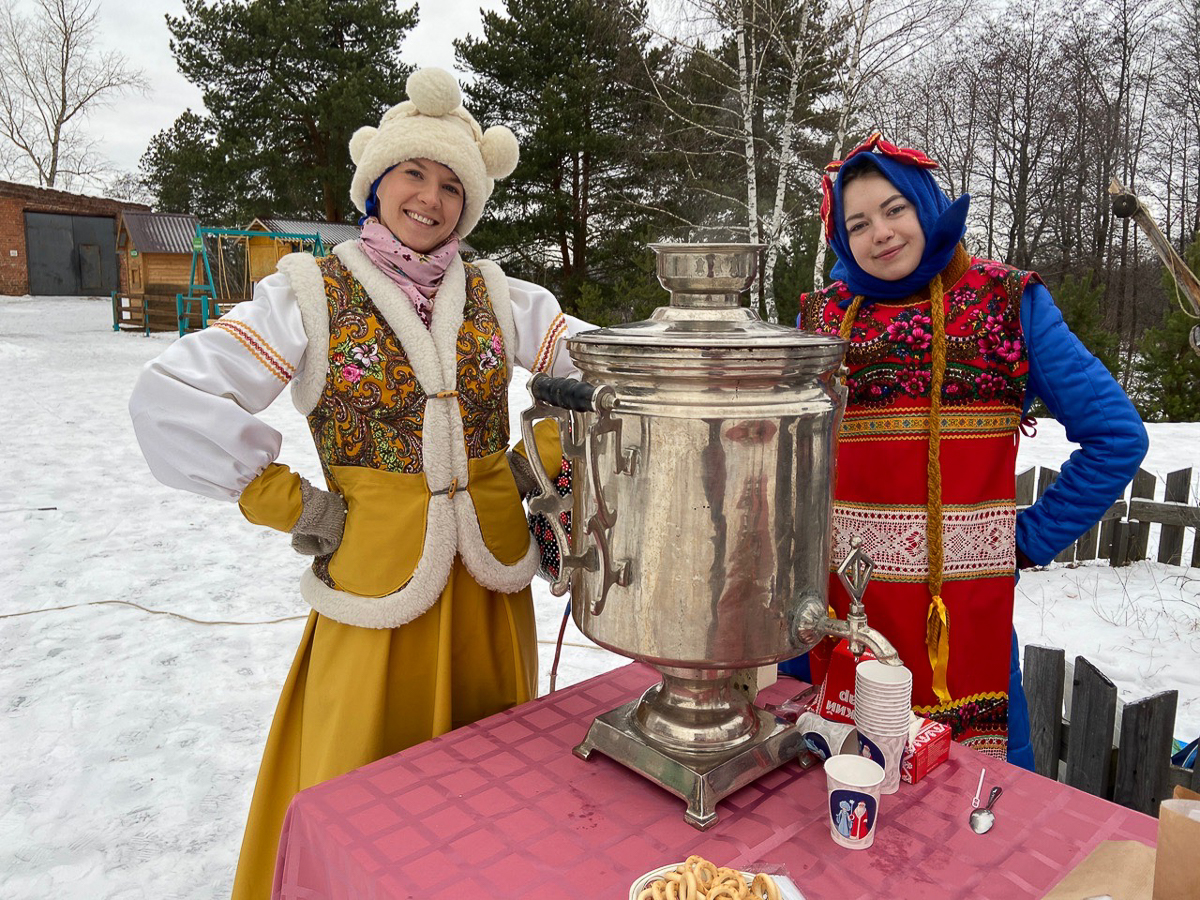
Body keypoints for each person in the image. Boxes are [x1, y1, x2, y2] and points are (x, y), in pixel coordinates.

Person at [128, 68, 586, 899]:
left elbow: (616, 375)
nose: (431, 197)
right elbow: (172, 393)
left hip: (488, 590)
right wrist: (283, 498)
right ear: (376, 182)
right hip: (376, 586)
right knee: (362, 786)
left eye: (453, 184)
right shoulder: (309, 293)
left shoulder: (496, 292)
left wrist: (541, 454)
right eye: (414, 173)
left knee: (495, 784)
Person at [788, 132, 1148, 768]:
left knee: (966, 821)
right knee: (829, 803)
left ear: (927, 203)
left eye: (895, 208)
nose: (881, 233)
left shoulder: (1008, 302)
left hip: (956, 625)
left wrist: (1028, 539)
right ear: (841, 238)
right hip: (834, 616)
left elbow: (1117, 437)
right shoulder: (821, 318)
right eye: (859, 222)